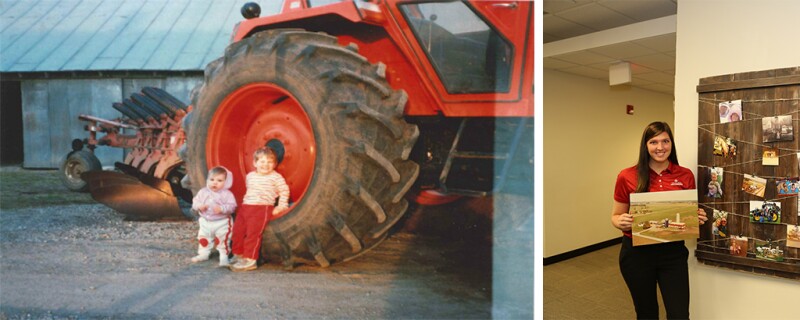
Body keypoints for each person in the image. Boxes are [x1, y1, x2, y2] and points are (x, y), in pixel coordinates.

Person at [611, 121, 708, 319]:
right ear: (645, 146)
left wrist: (696, 217)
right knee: (647, 313)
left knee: (679, 313)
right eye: (654, 142)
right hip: (636, 254)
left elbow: (687, 214)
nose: (660, 147)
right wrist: (619, 221)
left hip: (672, 253)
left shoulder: (685, 175)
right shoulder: (627, 176)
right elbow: (615, 215)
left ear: (671, 144)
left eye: (665, 141)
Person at [229, 147, 290, 272]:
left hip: (261, 208)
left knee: (253, 234)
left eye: (269, 162)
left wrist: (281, 206)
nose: (265, 165)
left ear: (274, 164)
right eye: (262, 162)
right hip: (246, 207)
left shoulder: (276, 177)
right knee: (237, 231)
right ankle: (238, 254)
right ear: (255, 163)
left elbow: (284, 190)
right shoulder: (250, 176)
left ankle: (250, 260)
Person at [190, 166, 237, 266]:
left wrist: (222, 209)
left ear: (226, 182)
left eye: (219, 180)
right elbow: (195, 202)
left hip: (222, 222)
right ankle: (203, 254)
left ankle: (224, 257)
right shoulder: (203, 192)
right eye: (212, 180)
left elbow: (232, 206)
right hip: (205, 221)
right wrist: (199, 206)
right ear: (207, 180)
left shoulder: (227, 194)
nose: (215, 183)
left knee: (223, 239)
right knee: (203, 238)